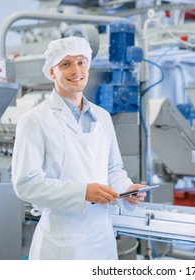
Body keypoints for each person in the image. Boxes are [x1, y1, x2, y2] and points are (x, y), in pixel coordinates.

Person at [11, 36, 147, 260]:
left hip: (101, 238)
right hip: (60, 243)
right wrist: (83, 192)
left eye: (81, 62)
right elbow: (26, 184)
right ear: (52, 72)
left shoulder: (102, 117)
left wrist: (127, 190)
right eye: (66, 64)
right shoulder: (34, 120)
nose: (76, 70)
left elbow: (113, 169)